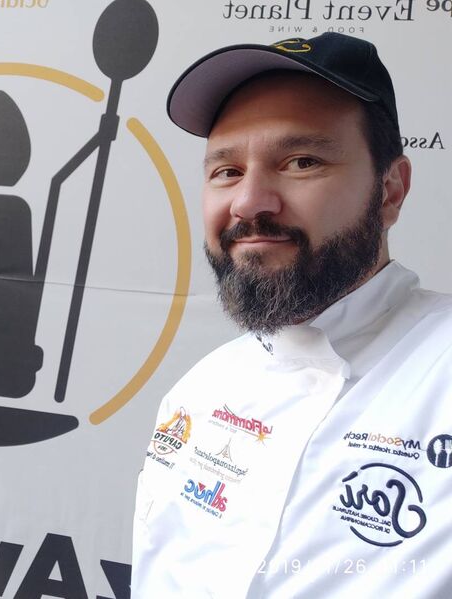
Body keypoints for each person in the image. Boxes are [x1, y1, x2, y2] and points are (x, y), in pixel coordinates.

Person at [132, 32, 452, 598]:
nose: (249, 202)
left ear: (390, 191)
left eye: (302, 162)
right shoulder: (199, 391)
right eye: (226, 171)